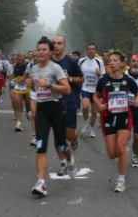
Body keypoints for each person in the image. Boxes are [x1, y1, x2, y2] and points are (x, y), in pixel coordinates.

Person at [26, 38, 78, 197]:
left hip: (56, 108)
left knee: (61, 144)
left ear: (49, 52)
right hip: (42, 111)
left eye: (43, 50)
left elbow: (67, 89)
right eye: (38, 49)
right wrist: (31, 86)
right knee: (40, 146)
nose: (40, 52)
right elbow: (35, 90)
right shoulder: (33, 69)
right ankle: (41, 183)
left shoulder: (55, 68)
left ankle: (70, 160)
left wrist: (48, 85)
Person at [93, 50, 138, 192]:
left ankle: (121, 180)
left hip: (124, 116)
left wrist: (137, 101)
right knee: (112, 154)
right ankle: (121, 152)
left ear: (122, 64)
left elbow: (137, 94)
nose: (112, 63)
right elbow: (95, 95)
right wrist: (99, 105)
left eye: (115, 60)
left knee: (120, 149)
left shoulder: (128, 80)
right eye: (111, 61)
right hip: (107, 117)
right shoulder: (103, 80)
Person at [51, 35, 84, 175]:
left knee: (69, 135)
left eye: (59, 43)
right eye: (54, 43)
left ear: (65, 45)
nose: (56, 46)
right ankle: (63, 163)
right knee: (58, 135)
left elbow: (81, 78)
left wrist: (69, 78)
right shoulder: (47, 62)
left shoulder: (71, 62)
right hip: (52, 102)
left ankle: (74, 138)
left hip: (69, 102)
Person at [78, 43, 105, 138]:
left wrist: (99, 74)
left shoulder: (99, 62)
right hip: (85, 88)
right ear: (86, 50)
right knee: (85, 107)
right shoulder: (81, 61)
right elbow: (77, 73)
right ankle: (85, 122)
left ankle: (91, 128)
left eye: (93, 49)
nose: (91, 51)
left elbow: (103, 76)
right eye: (89, 49)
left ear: (96, 50)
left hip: (95, 90)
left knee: (94, 112)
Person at [12, 53, 31, 131]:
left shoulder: (28, 65)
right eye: (19, 59)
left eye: (22, 60)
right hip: (18, 86)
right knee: (17, 104)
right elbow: (14, 74)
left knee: (28, 104)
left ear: (25, 58)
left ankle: (27, 111)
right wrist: (11, 78)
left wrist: (24, 79)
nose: (20, 61)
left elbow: (30, 75)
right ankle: (18, 124)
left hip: (26, 86)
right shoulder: (15, 65)